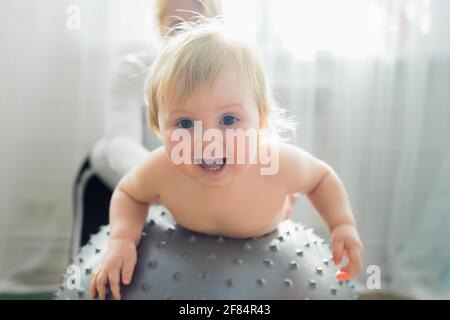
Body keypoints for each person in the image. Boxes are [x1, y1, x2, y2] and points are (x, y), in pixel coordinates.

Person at [90, 19, 364, 300]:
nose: (209, 140)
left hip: (266, 213)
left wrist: (342, 224)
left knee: (282, 193)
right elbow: (128, 192)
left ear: (261, 120)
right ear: (157, 126)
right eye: (185, 123)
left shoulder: (276, 161)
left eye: (229, 119)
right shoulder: (161, 168)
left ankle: (285, 200)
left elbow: (321, 179)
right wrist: (122, 240)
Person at [71, 0, 222, 255]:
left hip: (189, 179)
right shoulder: (133, 69)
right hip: (112, 177)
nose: (186, 36)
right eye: (176, 25)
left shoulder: (227, 74)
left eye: (197, 24)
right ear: (160, 26)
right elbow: (120, 143)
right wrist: (167, 185)